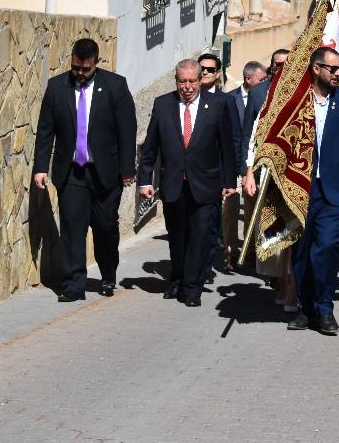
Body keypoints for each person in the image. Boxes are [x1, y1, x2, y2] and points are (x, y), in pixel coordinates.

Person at [33, 37, 137, 302]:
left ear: (96, 63)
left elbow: (127, 129)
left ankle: (107, 275)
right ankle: (74, 284)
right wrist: (40, 167)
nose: (79, 74)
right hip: (72, 172)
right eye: (76, 68)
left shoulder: (115, 86)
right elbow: (46, 131)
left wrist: (127, 168)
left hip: (106, 172)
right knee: (72, 228)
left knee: (105, 226)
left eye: (85, 69)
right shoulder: (57, 87)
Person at [137, 59, 237, 307]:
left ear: (200, 80)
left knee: (200, 237)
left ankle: (192, 288)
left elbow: (227, 145)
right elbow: (151, 147)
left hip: (206, 184)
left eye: (193, 81)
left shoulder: (218, 105)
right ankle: (177, 279)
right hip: (173, 183)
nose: (188, 86)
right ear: (177, 81)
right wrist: (144, 180)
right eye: (183, 81)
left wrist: (229, 180)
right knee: (178, 237)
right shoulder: (163, 105)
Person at [289, 47, 339, 336]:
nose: (338, 73)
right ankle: (304, 308)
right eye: (332, 69)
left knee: (327, 247)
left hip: (333, 190)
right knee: (302, 250)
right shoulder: (296, 101)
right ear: (315, 68)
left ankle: (325, 308)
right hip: (300, 188)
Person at [223, 60, 267, 269]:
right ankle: (229, 251)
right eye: (261, 79)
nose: (264, 82)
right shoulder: (229, 99)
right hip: (231, 164)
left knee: (251, 210)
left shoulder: (266, 98)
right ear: (249, 79)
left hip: (251, 165)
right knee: (230, 210)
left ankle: (249, 250)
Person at [240, 48, 290, 179]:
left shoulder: (302, 92)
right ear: (272, 66)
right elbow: (247, 133)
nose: (281, 68)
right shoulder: (257, 92)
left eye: (285, 64)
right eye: (277, 64)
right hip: (260, 165)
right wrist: (245, 172)